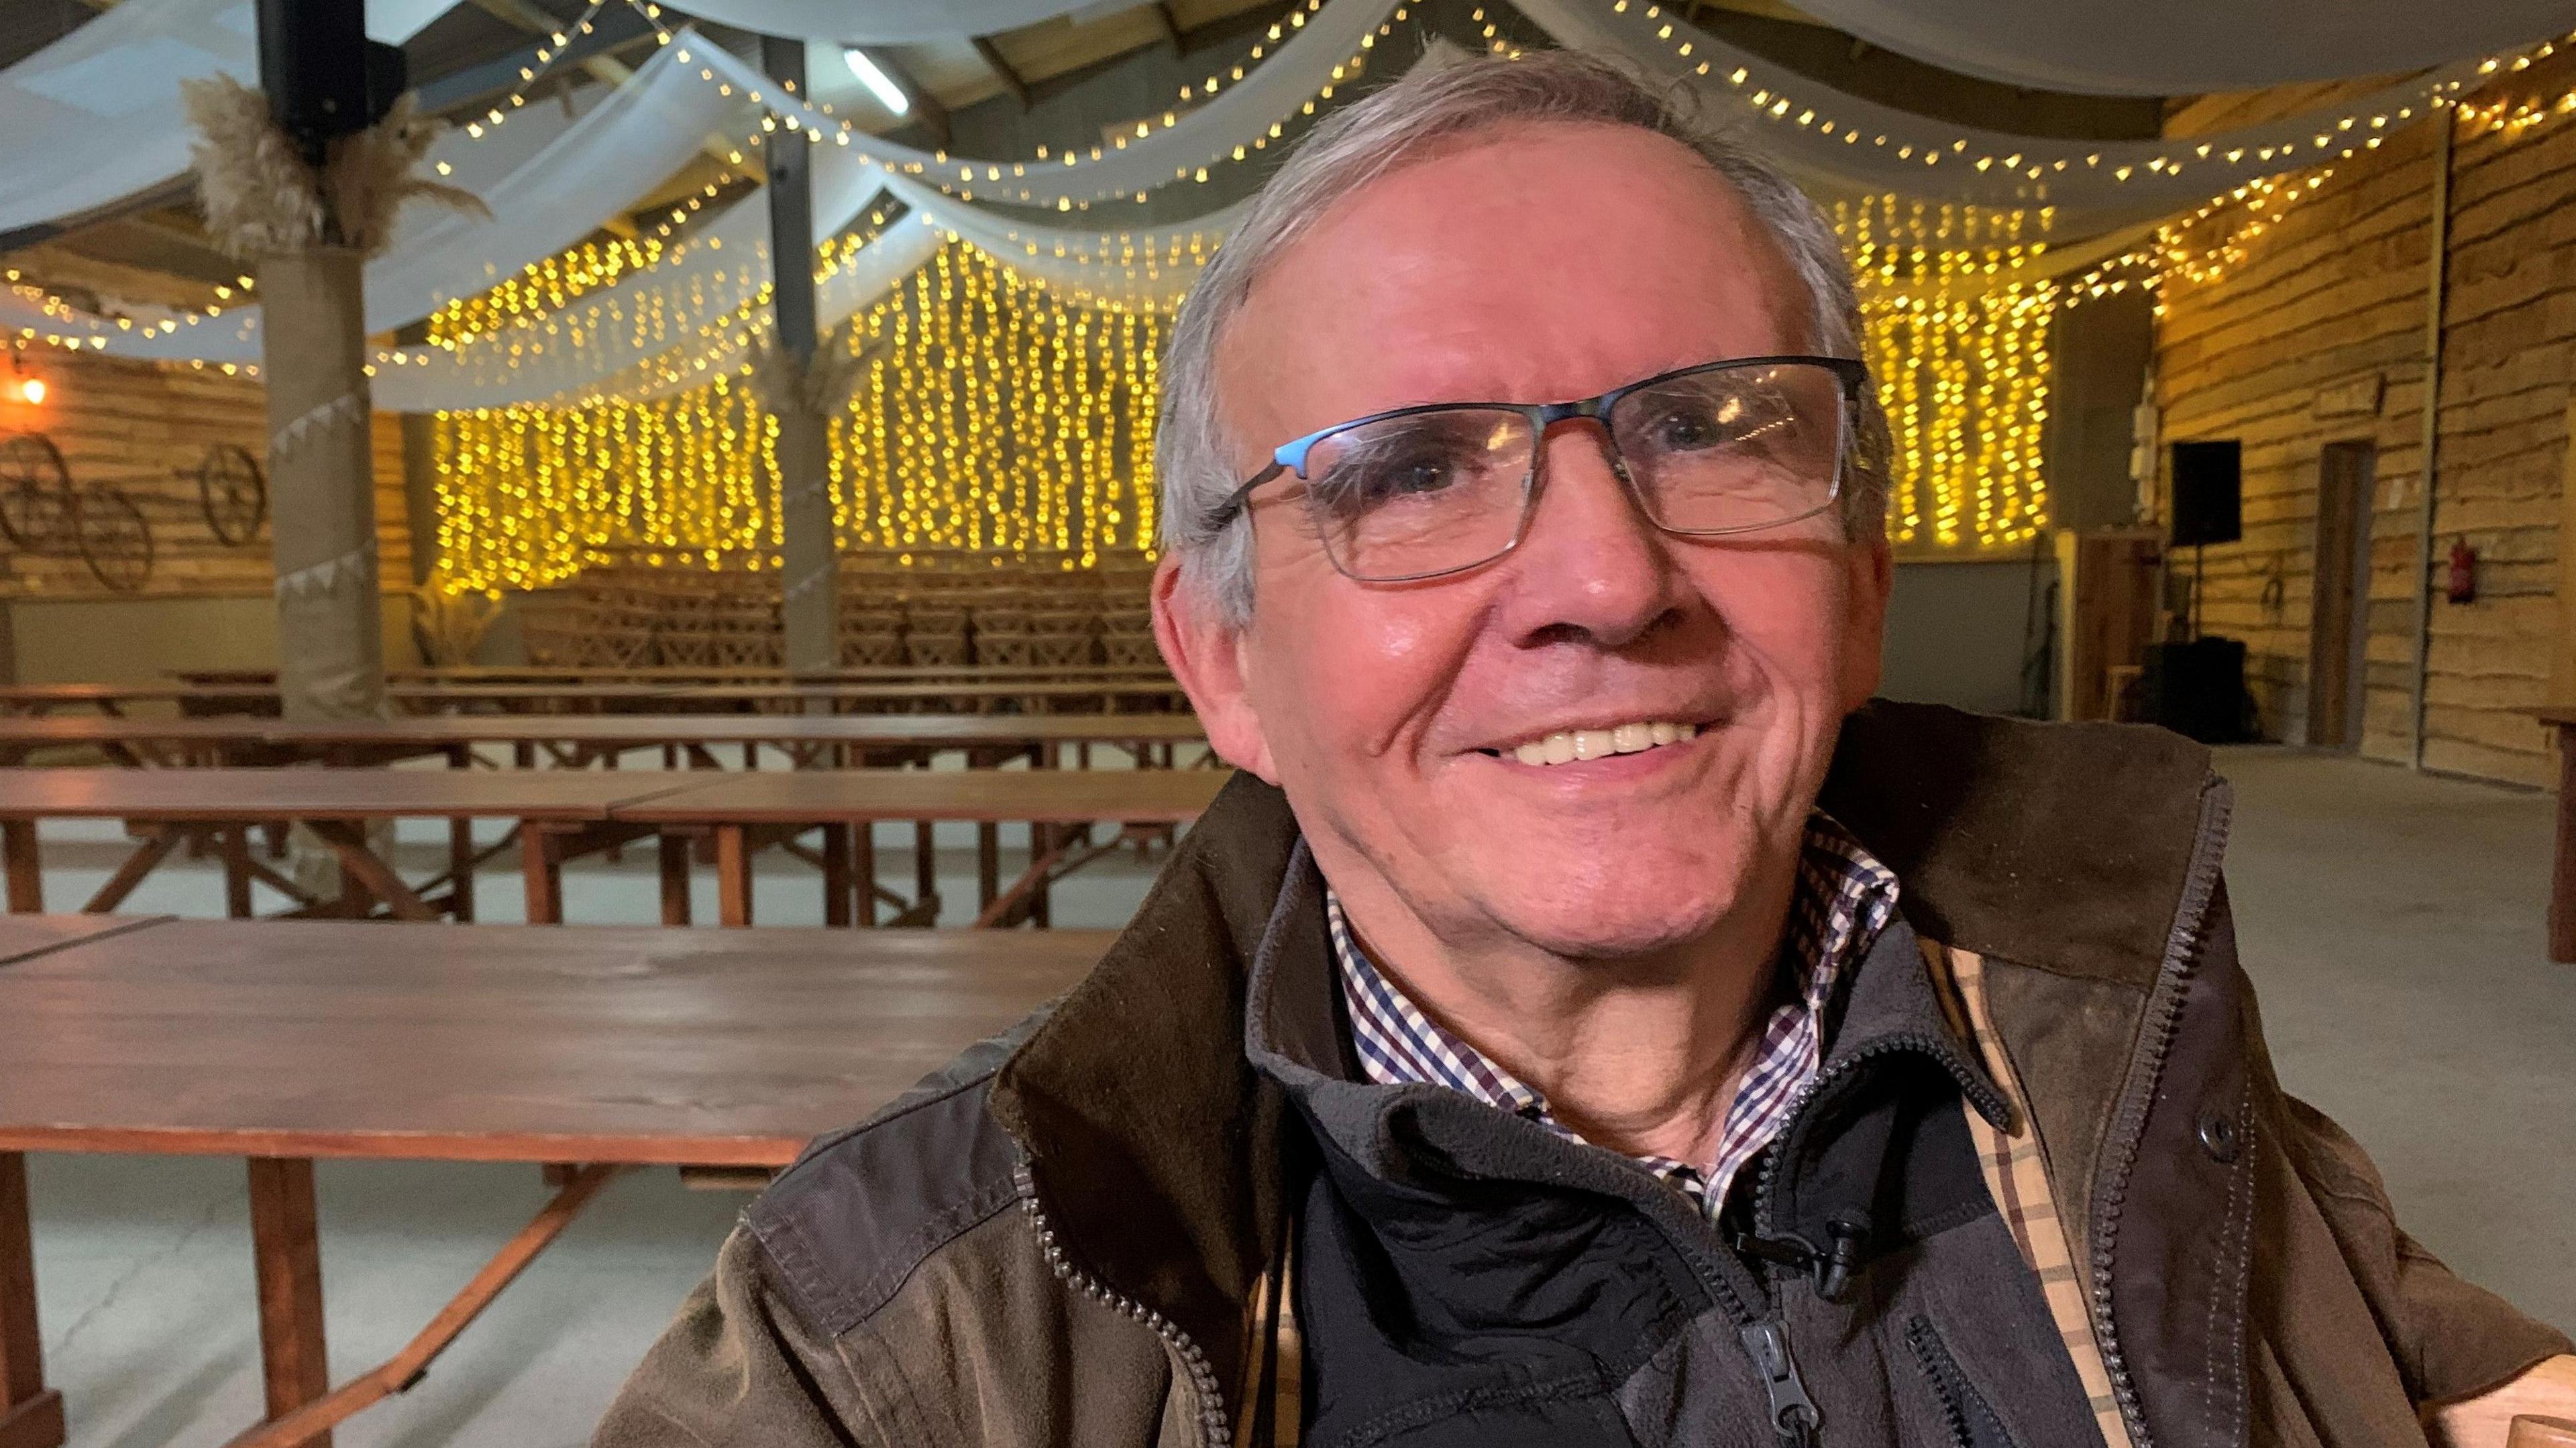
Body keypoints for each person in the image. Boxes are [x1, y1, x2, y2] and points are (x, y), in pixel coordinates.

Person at [594, 46, 2573, 1448]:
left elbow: (2383, 1328)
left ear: (1863, 578)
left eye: (1714, 427)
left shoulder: (2123, 1025)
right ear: (1224, 663)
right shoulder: (904, 1331)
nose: (1606, 579)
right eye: (1403, 470)